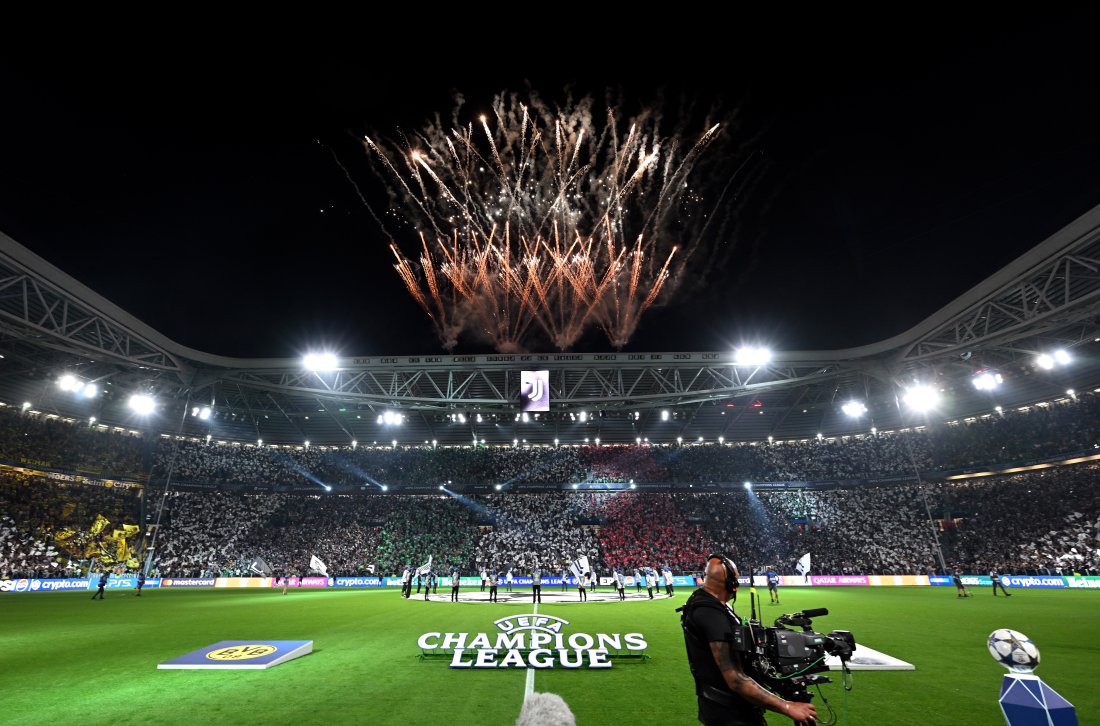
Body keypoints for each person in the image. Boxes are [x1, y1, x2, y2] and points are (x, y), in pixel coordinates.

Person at [678, 555, 819, 726]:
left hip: (722, 708)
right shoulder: (710, 614)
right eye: (735, 578)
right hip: (730, 714)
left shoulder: (708, 603)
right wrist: (788, 706)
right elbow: (735, 679)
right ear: (730, 584)